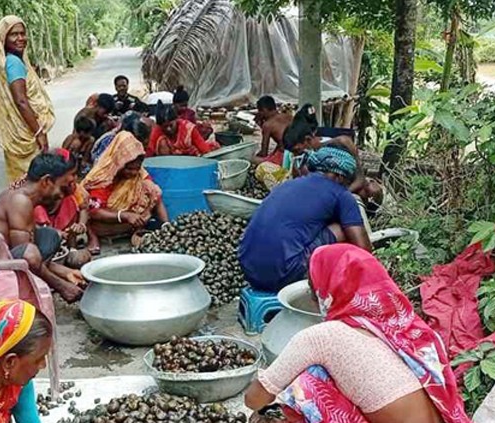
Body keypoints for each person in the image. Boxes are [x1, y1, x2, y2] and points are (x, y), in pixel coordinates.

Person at [244, 245, 484, 423]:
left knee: (307, 382)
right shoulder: (397, 323)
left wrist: (266, 378)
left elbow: (255, 400)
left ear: (321, 293)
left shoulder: (321, 337)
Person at [238, 146, 372, 293]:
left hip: (249, 271)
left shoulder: (288, 185)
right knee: (343, 229)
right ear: (339, 177)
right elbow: (363, 249)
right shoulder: (340, 194)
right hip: (284, 274)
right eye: (347, 182)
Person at [0, 153, 86, 303]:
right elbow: (27, 257)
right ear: (47, 181)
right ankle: (25, 293)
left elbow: (30, 257)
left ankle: (34, 285)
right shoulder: (20, 201)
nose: (61, 196)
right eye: (62, 188)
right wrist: (62, 286)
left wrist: (67, 273)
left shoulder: (26, 199)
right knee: (31, 249)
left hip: (5, 263)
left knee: (50, 236)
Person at [0, 16, 55, 183]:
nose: (20, 39)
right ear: (3, 38)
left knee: (23, 182)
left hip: (21, 134)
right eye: (14, 34)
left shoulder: (10, 61)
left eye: (23, 33)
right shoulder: (13, 63)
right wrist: (38, 132)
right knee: (34, 184)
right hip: (26, 135)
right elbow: (21, 101)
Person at [84, 131, 168, 246]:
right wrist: (124, 215)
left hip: (132, 218)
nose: (133, 173)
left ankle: (164, 228)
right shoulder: (104, 177)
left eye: (136, 168)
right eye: (129, 169)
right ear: (120, 162)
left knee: (152, 189)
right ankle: (93, 235)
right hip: (109, 220)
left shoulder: (140, 173)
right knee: (96, 226)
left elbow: (155, 195)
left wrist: (164, 225)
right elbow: (95, 212)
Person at [32, 150, 93, 269]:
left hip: (64, 235)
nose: (75, 178)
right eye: (72, 174)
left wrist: (81, 225)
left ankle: (70, 247)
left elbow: (83, 208)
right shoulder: (32, 198)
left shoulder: (70, 188)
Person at [147, 102, 219, 157]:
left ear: (177, 120)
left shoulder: (189, 128)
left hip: (189, 161)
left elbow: (204, 149)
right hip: (168, 163)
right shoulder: (157, 130)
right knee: (162, 142)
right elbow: (150, 150)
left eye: (171, 125)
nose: (168, 129)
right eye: (165, 127)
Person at [252, 95, 291, 166]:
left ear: (264, 110)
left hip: (286, 157)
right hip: (297, 151)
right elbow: (282, 141)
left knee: (252, 160)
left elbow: (264, 153)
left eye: (259, 111)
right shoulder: (288, 116)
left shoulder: (268, 125)